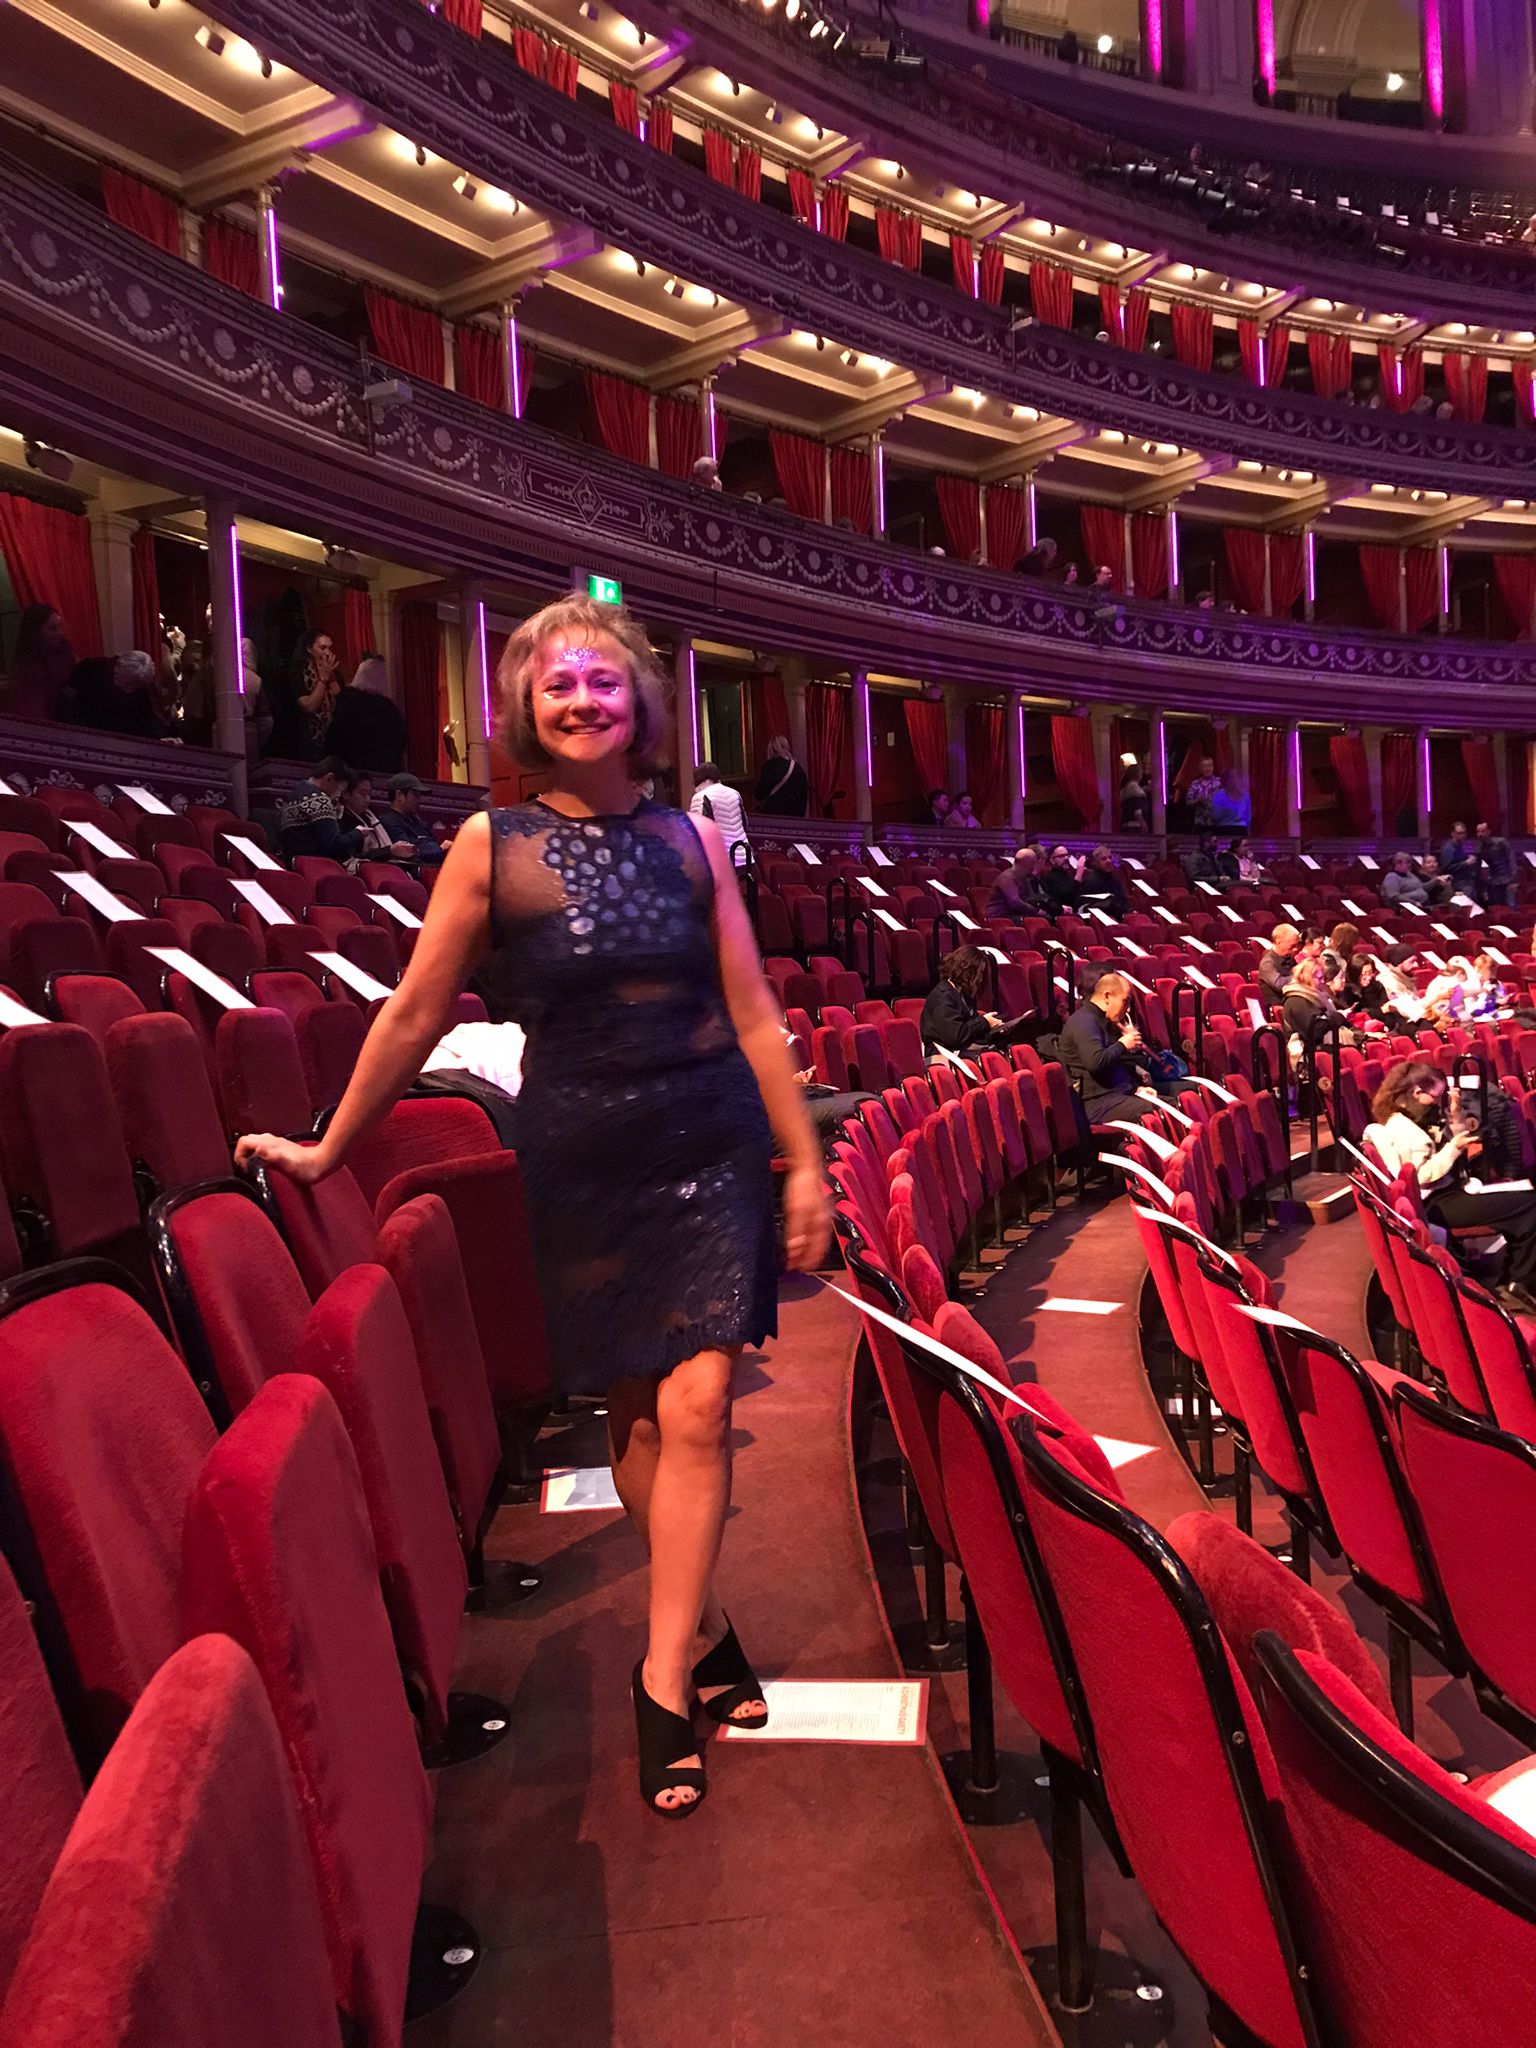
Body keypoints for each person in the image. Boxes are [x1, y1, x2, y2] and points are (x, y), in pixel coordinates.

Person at [237, 594, 829, 1819]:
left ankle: (661, 1676)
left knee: (704, 1400)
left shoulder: (689, 842)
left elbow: (754, 1011)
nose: (580, 701)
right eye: (557, 683)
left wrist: (805, 1159)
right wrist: (327, 1143)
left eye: (603, 682)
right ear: (525, 705)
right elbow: (412, 1012)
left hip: (706, 1134)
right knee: (639, 1409)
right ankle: (705, 1620)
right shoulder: (489, 844)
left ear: (641, 706)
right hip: (586, 1150)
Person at [1366, 1061, 1536, 1314]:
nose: (1438, 1103)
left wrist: (1455, 1119)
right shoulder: (1402, 1129)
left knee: (1526, 1199)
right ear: (1416, 1093)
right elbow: (1420, 1176)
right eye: (1436, 1096)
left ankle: (1515, 1277)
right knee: (1530, 1205)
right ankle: (1517, 1281)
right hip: (1436, 1203)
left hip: (1445, 1194)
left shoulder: (1407, 1118)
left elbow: (1442, 1143)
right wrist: (1453, 1148)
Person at [1058, 970, 1163, 1128]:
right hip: (1097, 1104)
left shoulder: (1100, 1020)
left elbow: (1111, 1069)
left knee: (1173, 1103)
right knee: (1158, 1111)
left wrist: (1136, 1088)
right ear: (1107, 997)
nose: (1127, 1009)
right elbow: (1096, 1062)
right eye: (1125, 1001)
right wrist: (1122, 1044)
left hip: (1114, 1096)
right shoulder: (1084, 1022)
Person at [325, 651, 409, 776]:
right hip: (383, 772)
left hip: (351, 771)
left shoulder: (349, 701)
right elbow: (401, 741)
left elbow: (336, 735)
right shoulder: (390, 709)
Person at [920, 946, 1013, 1055]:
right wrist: (985, 1022)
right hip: (945, 1055)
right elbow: (955, 1036)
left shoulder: (963, 994)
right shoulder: (942, 997)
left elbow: (972, 1027)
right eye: (979, 973)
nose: (981, 979)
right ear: (967, 971)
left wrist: (995, 1027)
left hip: (963, 1050)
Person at [58, 649, 167, 738]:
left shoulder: (141, 693)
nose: (129, 690)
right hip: (82, 732)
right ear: (117, 667)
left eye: (134, 686)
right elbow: (67, 695)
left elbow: (148, 721)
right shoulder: (90, 668)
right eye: (127, 683)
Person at [278, 756, 363, 863]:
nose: (338, 795)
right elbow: (333, 844)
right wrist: (358, 833)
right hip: (316, 865)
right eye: (341, 788)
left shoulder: (293, 795)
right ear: (330, 778)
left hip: (294, 863)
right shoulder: (319, 800)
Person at [3, 603, 74, 719]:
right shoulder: (27, 669)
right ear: (35, 632)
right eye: (52, 628)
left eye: (60, 627)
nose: (60, 633)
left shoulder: (67, 656)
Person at [279, 628, 341, 759]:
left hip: (333, 742)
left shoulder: (335, 675)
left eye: (330, 648)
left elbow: (342, 705)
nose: (328, 653)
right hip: (308, 740)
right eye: (322, 648)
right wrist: (322, 680)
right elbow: (309, 706)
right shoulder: (298, 671)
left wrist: (332, 679)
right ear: (309, 649)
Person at [380, 773, 446, 866]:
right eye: (416, 795)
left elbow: (434, 841)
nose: (419, 800)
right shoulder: (388, 821)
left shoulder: (417, 821)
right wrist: (439, 850)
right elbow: (409, 852)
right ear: (399, 795)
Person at [689, 762, 748, 858]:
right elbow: (745, 823)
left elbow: (699, 832)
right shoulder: (735, 793)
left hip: (720, 860)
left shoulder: (700, 797)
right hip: (743, 855)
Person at [986, 846, 1046, 921]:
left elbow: (1028, 898)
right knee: (1035, 922)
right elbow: (1015, 903)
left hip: (1014, 915)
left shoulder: (1023, 878)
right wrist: (1036, 911)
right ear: (1028, 863)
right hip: (999, 918)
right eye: (1034, 862)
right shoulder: (1007, 878)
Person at [754, 734, 808, 817]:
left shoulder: (769, 767)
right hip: (796, 818)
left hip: (774, 817)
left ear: (772, 749)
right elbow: (804, 797)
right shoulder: (799, 769)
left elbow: (760, 794)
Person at [1257, 923, 1301, 1006]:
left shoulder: (1290, 958)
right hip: (1280, 1005)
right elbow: (1279, 984)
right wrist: (1301, 977)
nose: (1296, 949)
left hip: (1293, 1001)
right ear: (1278, 942)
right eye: (1292, 945)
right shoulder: (1268, 963)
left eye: (1297, 944)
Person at [1078, 845, 1128, 918]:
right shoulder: (1091, 881)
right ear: (1096, 863)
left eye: (1110, 858)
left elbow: (1123, 901)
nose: (1109, 861)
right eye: (1104, 859)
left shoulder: (1115, 880)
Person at [1475, 820, 1516, 908]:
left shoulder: (1502, 842)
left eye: (1483, 831)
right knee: (1497, 907)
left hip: (1508, 879)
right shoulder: (1479, 848)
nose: (1480, 834)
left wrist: (1513, 880)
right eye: (1478, 832)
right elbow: (1478, 868)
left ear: (1489, 832)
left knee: (1511, 906)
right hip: (1494, 881)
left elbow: (1511, 860)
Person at [1040, 843, 1083, 913]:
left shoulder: (1069, 876)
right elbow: (1067, 898)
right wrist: (1078, 875)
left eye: (1067, 855)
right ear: (1052, 860)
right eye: (1061, 856)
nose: (1066, 858)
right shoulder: (1049, 877)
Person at [1439, 820, 1478, 891]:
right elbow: (1446, 868)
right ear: (1453, 834)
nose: (1463, 835)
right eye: (1459, 833)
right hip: (1457, 884)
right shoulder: (1448, 848)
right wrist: (1466, 863)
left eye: (1464, 833)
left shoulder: (1461, 846)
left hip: (1467, 881)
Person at [1185, 755, 1221, 824]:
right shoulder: (1195, 784)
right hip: (1200, 822)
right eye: (1205, 766)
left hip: (1217, 822)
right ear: (1200, 768)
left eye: (1210, 766)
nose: (1208, 769)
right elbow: (1188, 803)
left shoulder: (1220, 783)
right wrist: (1198, 801)